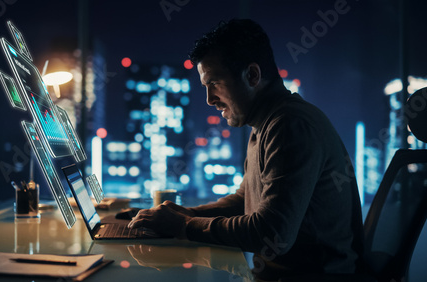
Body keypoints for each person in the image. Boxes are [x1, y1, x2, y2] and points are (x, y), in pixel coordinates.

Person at [128, 19, 364, 278]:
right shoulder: (266, 123)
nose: (209, 100)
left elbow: (274, 234)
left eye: (214, 83)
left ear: (252, 75)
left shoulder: (290, 125)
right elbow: (245, 200)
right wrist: (186, 214)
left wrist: (185, 225)